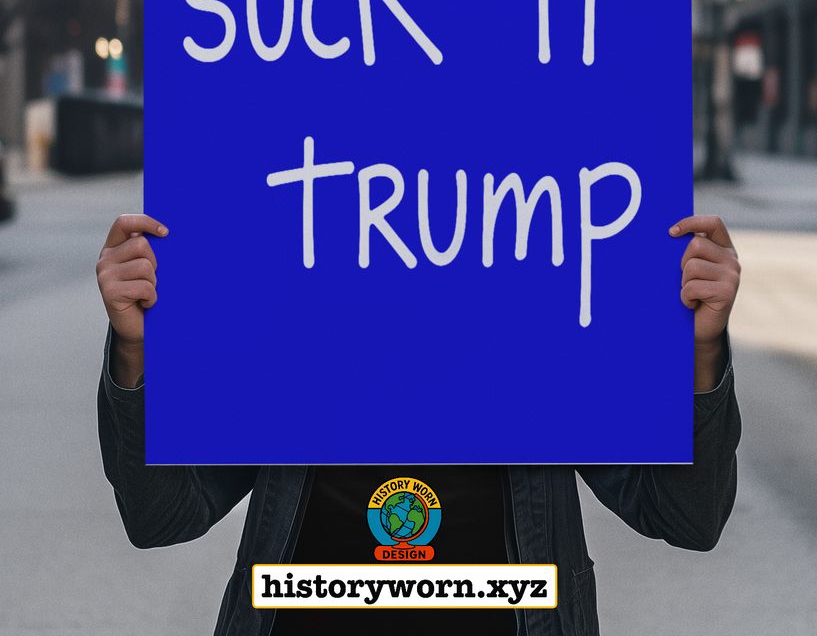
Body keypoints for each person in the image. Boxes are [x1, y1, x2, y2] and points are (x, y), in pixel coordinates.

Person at [97, 211, 741, 636]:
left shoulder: (542, 328)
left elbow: (686, 516)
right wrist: (134, 352)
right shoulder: (288, 325)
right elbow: (161, 515)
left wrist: (701, 354)